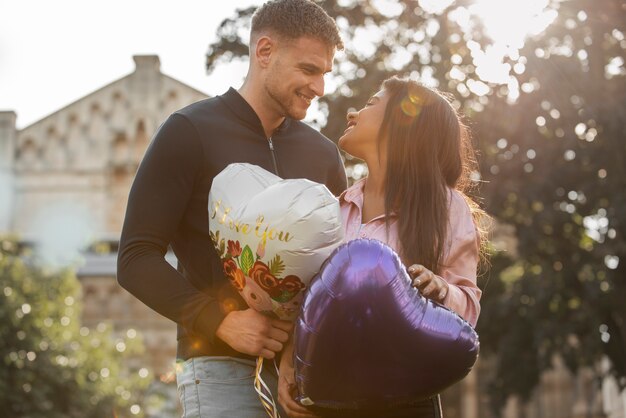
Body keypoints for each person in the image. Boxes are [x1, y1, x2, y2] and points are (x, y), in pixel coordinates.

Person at [116, 1, 347, 416]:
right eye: (309, 70)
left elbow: (338, 270)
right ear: (264, 52)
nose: (320, 88)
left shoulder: (324, 154)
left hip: (309, 380)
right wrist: (220, 321)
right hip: (219, 371)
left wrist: (300, 353)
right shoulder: (188, 132)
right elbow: (135, 258)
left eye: (325, 74)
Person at [278, 77, 489, 418]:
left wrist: (440, 289)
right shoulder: (334, 209)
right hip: (330, 400)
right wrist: (290, 362)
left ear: (404, 123)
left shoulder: (447, 207)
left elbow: (467, 310)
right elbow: (309, 300)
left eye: (371, 102)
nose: (352, 112)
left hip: (405, 400)